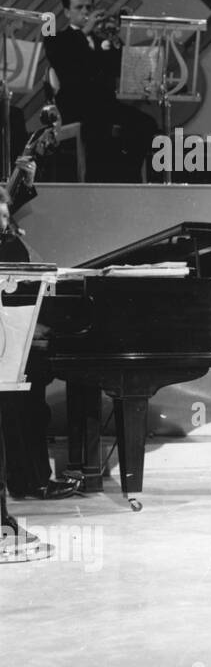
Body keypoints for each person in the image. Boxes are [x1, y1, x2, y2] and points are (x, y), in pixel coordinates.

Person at [0, 172, 81, 503]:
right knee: (27, 407)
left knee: (29, 406)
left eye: (7, 215)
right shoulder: (9, 245)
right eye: (2, 216)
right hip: (9, 346)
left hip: (13, 342)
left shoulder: (9, 243)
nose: (7, 222)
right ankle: (33, 481)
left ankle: (27, 480)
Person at [42, 0, 158, 183]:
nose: (86, 12)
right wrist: (86, 31)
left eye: (89, 7)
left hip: (104, 104)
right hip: (76, 105)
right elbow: (63, 61)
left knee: (147, 125)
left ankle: (129, 176)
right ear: (67, 12)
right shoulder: (57, 39)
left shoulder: (100, 39)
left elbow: (120, 68)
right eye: (80, 8)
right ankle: (99, 181)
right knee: (99, 127)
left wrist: (114, 39)